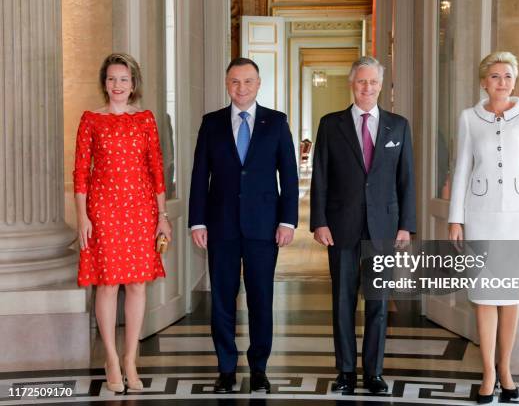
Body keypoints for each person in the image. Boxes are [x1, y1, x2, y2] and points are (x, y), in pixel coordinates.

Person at [447, 51, 519, 404]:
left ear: (514, 79)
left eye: (507, 75)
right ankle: (488, 373)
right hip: (479, 215)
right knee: (483, 298)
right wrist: (456, 218)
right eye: (495, 76)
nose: (502, 82)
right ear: (484, 82)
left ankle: (506, 369)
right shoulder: (469, 118)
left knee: (510, 298)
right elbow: (461, 169)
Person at [188, 57, 299, 394]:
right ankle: (225, 368)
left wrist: (288, 220)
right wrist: (197, 222)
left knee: (261, 299)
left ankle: (259, 368)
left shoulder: (276, 123)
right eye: (235, 81)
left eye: (248, 81)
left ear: (258, 83)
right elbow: (198, 176)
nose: (241, 88)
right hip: (220, 226)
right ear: (227, 84)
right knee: (222, 299)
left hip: (264, 228)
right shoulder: (211, 123)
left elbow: (289, 177)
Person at [310, 56, 416, 394]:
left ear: (381, 85)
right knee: (342, 302)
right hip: (341, 225)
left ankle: (373, 373)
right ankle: (344, 372)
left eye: (372, 82)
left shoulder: (398, 126)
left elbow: (406, 179)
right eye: (361, 82)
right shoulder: (331, 124)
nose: (367, 87)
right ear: (351, 84)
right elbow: (321, 177)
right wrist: (319, 222)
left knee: (378, 303)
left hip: (384, 227)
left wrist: (406, 225)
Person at [73, 53, 172, 393]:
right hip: (103, 211)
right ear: (105, 83)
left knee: (137, 284)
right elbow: (80, 173)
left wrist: (162, 217)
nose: (118, 85)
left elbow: (157, 170)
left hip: (141, 211)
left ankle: (131, 358)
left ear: (133, 86)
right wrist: (82, 215)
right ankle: (111, 358)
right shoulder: (90, 120)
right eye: (112, 78)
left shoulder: (145, 120)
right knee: (107, 284)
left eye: (124, 79)